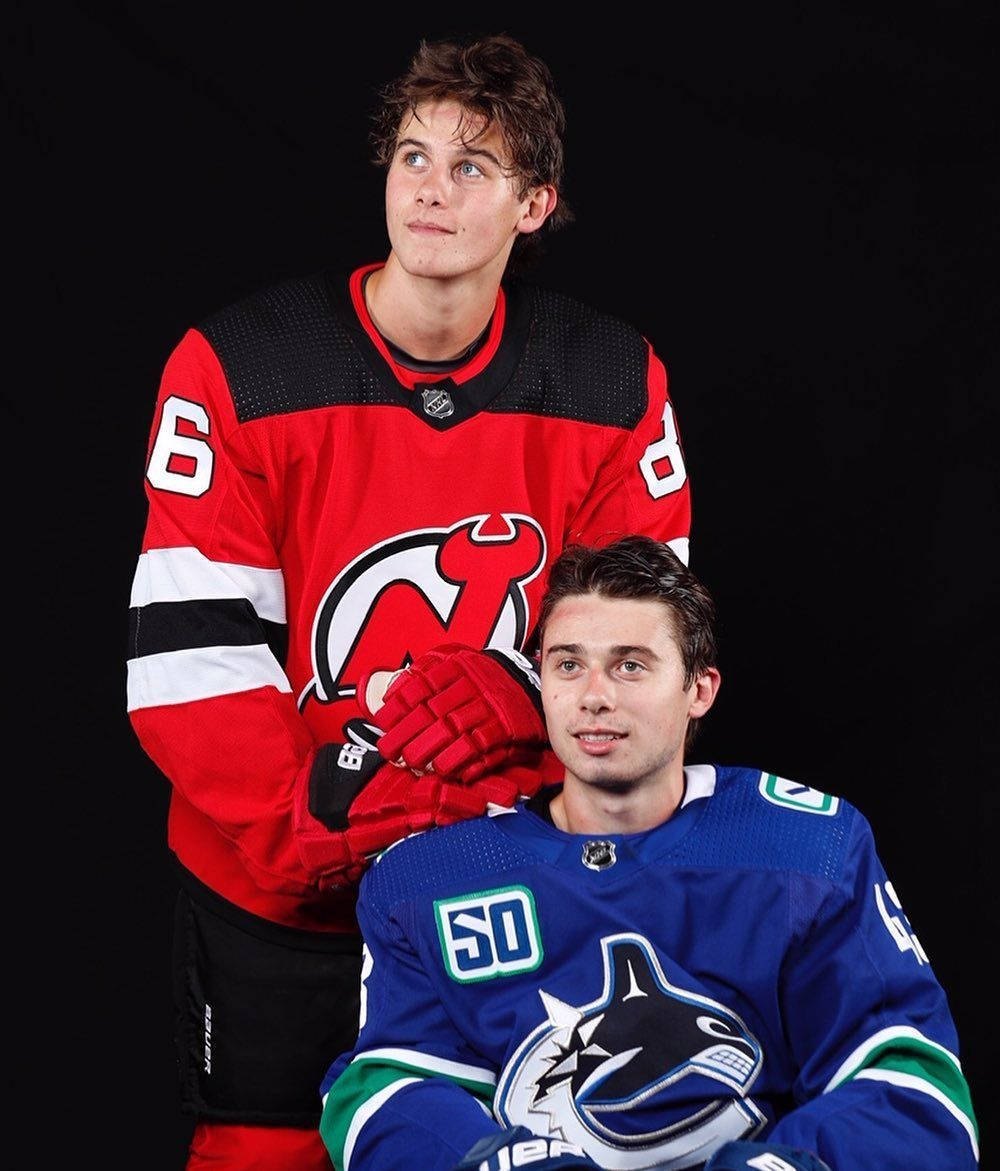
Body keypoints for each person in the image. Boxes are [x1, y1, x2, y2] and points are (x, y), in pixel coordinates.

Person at [127, 35, 691, 1170]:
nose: (431, 188)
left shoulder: (609, 379)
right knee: (261, 1150)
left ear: (534, 205)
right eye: (412, 156)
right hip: (274, 880)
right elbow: (186, 655)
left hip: (498, 869)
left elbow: (642, 642)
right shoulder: (242, 365)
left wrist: (521, 690)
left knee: (507, 1147)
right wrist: (311, 828)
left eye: (472, 167)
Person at [320, 536, 978, 1171]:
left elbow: (909, 1079)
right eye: (568, 664)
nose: (595, 695)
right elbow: (387, 1091)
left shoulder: (807, 848)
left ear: (700, 688)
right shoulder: (426, 875)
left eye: (630, 664)